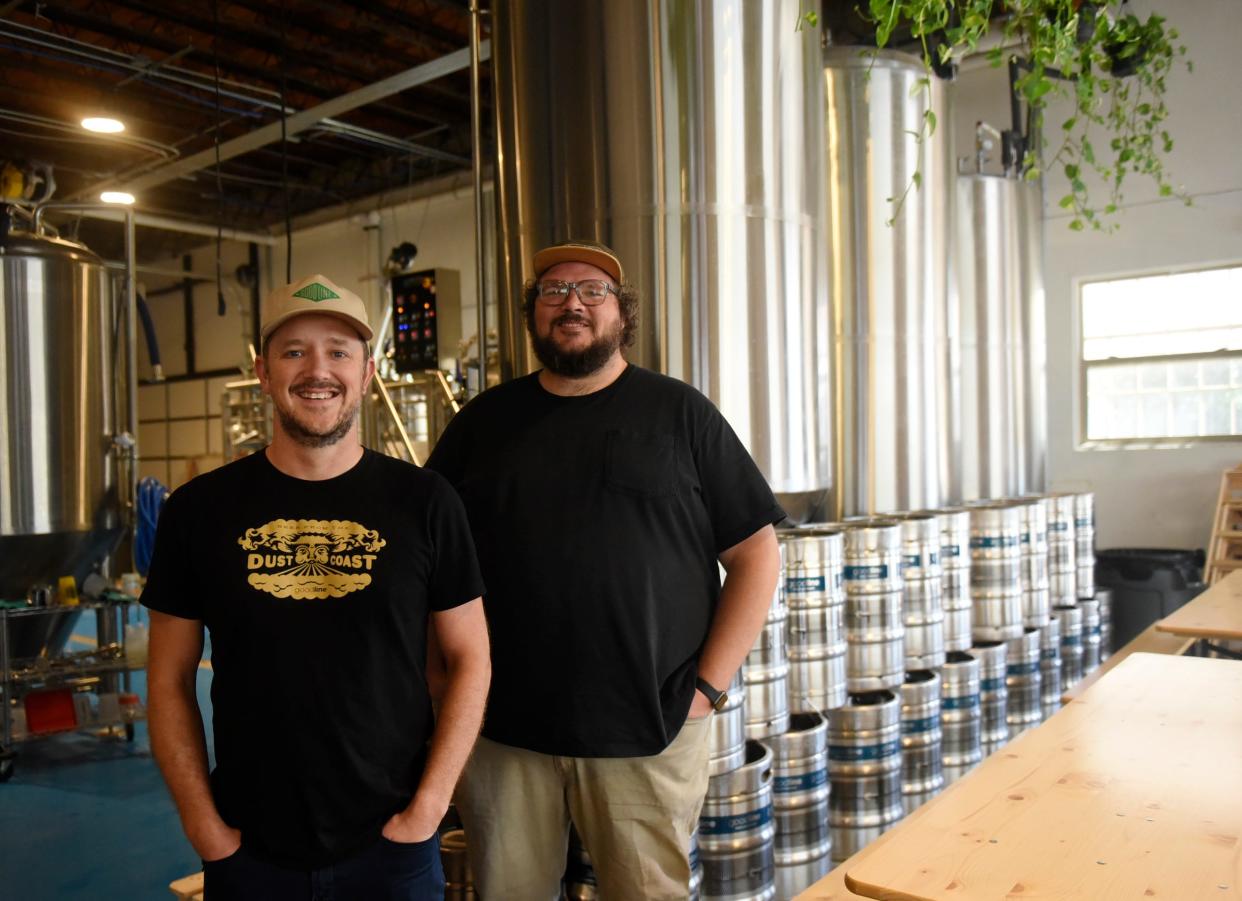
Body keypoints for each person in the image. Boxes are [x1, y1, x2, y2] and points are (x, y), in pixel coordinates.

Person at [426, 240, 783, 899]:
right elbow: (430, 563)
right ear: (532, 314)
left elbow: (757, 553)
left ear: (624, 314)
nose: (572, 304)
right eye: (553, 292)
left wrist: (707, 689)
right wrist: (442, 688)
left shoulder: (681, 414)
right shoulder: (481, 425)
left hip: (648, 729)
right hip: (503, 736)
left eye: (593, 291)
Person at [144, 274, 490, 900]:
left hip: (393, 847)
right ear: (263, 371)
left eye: (338, 350)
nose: (317, 370)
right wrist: (203, 825)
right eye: (294, 350)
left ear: (367, 372)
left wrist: (428, 811)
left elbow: (471, 659)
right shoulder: (198, 511)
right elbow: (169, 678)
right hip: (249, 847)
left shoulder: (426, 502)